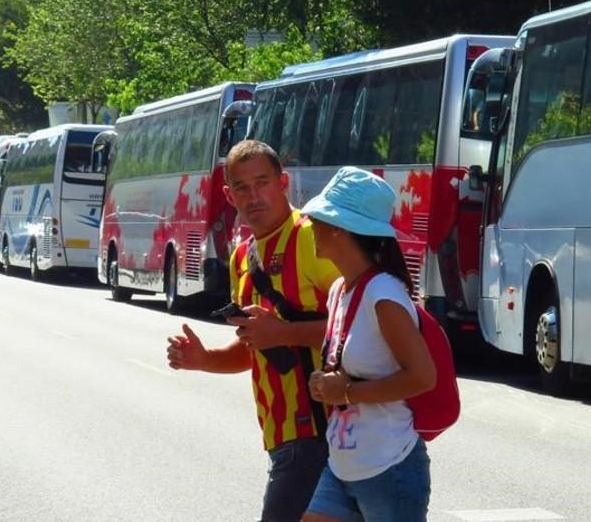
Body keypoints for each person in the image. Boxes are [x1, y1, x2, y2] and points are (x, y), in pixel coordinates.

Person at [165, 140, 340, 522]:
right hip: (282, 438)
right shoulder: (242, 255)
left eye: (262, 182)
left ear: (283, 183)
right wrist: (203, 359)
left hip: (322, 432)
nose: (253, 195)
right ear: (228, 195)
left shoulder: (310, 237)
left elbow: (362, 325)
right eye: (241, 187)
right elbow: (253, 346)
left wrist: (285, 333)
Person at [301, 167, 437, 522]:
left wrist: (345, 392)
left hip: (388, 469)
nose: (309, 222)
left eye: (318, 217)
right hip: (344, 464)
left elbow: (423, 377)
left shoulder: (384, 294)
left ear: (339, 228)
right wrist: (329, 383)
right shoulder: (340, 290)